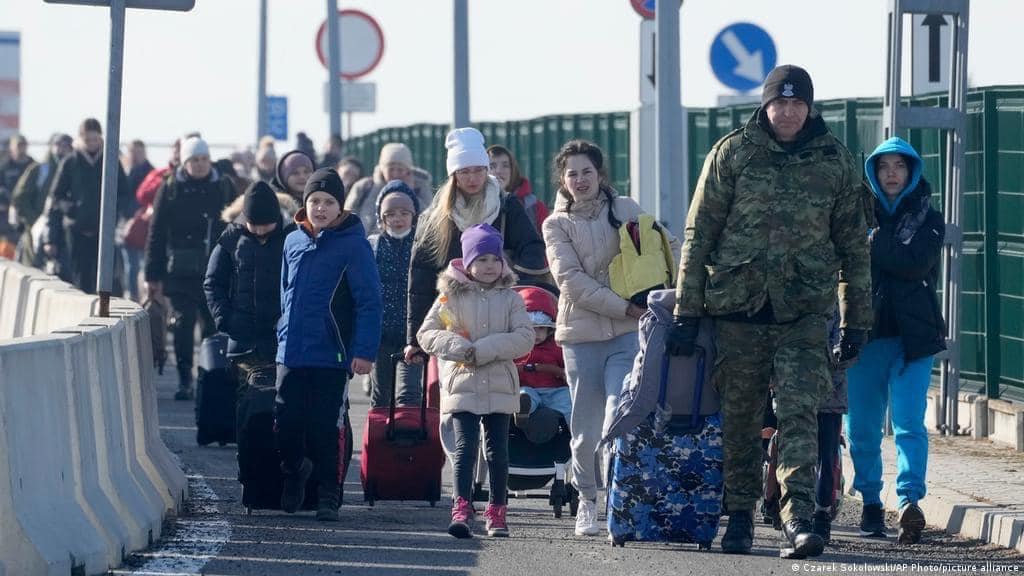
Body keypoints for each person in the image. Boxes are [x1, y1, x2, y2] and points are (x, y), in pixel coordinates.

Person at [668, 65, 872, 558]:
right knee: (740, 421)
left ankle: (799, 517)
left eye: (797, 104)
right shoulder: (732, 152)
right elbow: (699, 234)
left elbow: (854, 247)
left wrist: (857, 319)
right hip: (739, 310)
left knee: (800, 412)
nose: (787, 112)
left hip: (803, 312)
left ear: (810, 107)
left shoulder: (835, 161)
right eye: (779, 104)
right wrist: (685, 310)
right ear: (765, 106)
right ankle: (738, 516)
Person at [542, 138, 680, 537]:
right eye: (572, 174)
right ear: (563, 180)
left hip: (626, 334)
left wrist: (685, 283)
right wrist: (625, 306)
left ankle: (620, 498)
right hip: (581, 336)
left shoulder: (626, 209)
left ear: (601, 174)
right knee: (584, 428)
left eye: (587, 172)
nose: (580, 180)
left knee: (620, 412)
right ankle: (587, 498)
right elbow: (571, 282)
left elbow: (666, 248)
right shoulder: (555, 225)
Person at [846, 136, 945, 546]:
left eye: (899, 166)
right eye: (883, 166)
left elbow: (914, 263)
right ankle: (871, 500)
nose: (891, 173)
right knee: (863, 429)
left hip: (912, 339)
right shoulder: (851, 216)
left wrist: (872, 241)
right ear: (872, 172)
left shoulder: (929, 217)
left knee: (908, 423)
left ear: (912, 172)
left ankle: (909, 503)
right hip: (863, 337)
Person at [275, 168, 381, 522]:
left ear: (340, 207)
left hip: (332, 354)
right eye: (315, 201)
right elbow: (285, 293)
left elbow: (369, 301)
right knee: (285, 422)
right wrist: (281, 333)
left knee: (326, 427)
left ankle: (328, 495)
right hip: (291, 350)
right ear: (305, 204)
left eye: (328, 202)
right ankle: (293, 471)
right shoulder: (292, 241)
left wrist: (364, 351)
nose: (320, 208)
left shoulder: (354, 245)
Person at [417, 223, 534, 539]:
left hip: (498, 382)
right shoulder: (449, 297)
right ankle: (461, 506)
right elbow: (426, 333)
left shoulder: (510, 298)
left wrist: (484, 349)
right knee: (465, 448)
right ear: (467, 262)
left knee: (498, 450)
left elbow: (525, 336)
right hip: (463, 382)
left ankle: (497, 510)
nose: (489, 266)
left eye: (494, 259)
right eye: (481, 259)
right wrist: (457, 347)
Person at [404, 128, 548, 366]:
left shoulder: (506, 207)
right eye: (464, 172)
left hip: (499, 318)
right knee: (455, 393)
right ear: (454, 174)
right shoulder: (436, 218)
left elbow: (532, 250)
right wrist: (415, 339)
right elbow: (420, 278)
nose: (472, 178)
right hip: (454, 323)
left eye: (478, 170)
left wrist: (509, 283)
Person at [144, 136, 234, 400]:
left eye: (204, 159)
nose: (200, 165)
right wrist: (153, 274)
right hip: (180, 272)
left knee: (212, 325)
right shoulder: (170, 188)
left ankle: (209, 375)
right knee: (182, 325)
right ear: (185, 161)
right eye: (194, 160)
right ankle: (185, 378)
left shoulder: (223, 186)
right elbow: (156, 232)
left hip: (215, 269)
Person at [204, 181, 294, 397]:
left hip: (282, 340)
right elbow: (213, 282)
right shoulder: (230, 240)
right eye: (255, 224)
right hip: (243, 341)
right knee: (245, 401)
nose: (261, 231)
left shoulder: (292, 238)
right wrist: (225, 319)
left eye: (267, 225)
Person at [46, 118, 130, 294]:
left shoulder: (111, 161)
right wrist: (71, 210)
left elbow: (124, 193)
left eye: (95, 139)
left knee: (106, 279)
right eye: (88, 140)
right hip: (77, 230)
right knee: (80, 277)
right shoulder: (70, 162)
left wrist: (113, 212)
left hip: (104, 231)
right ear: (81, 139)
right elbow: (56, 196)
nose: (92, 144)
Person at [366, 179, 422, 409]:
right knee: (381, 395)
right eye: (391, 214)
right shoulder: (373, 246)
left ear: (414, 216)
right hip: (381, 334)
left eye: (404, 213)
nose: (398, 219)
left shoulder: (421, 246)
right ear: (382, 218)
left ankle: (409, 440)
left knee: (409, 395)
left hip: (413, 334)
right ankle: (379, 441)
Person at [11, 133, 72, 268]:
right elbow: (19, 198)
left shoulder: (73, 171)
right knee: (33, 268)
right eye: (58, 145)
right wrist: (35, 220)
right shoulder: (40, 170)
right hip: (35, 230)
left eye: (66, 146)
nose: (61, 149)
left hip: (65, 232)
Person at [346, 142, 433, 236]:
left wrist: (410, 193)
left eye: (400, 169)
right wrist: (378, 188)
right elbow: (347, 219)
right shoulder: (364, 187)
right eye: (391, 169)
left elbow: (428, 221)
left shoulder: (420, 187)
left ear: (408, 170)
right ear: (382, 169)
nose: (395, 174)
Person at [512, 285, 571, 426]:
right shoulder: (515, 348)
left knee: (568, 401)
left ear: (549, 330)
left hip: (554, 389)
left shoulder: (556, 347)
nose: (536, 334)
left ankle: (578, 434)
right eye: (531, 329)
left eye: (541, 329)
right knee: (523, 395)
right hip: (527, 387)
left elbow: (566, 366)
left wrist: (564, 373)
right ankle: (521, 411)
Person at [487, 145, 548, 234]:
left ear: (513, 171)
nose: (498, 171)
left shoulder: (535, 207)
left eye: (505, 166)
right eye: (492, 166)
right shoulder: (473, 203)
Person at [120, 139, 154, 300]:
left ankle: (142, 296)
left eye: (138, 152)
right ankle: (132, 295)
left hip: (144, 227)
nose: (135, 156)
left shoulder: (151, 173)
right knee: (130, 267)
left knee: (142, 265)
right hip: (127, 226)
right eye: (132, 152)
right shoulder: (125, 172)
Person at [0, 132, 34, 202]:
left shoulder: (33, 165)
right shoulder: (4, 166)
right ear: (11, 147)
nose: (21, 148)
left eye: (23, 145)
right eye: (18, 145)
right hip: (8, 205)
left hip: (28, 205)